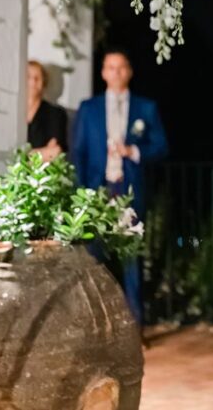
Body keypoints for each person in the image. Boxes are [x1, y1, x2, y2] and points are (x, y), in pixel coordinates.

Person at [72, 49, 169, 323]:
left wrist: (133, 151)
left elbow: (161, 147)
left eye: (121, 67)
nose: (115, 72)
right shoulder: (88, 108)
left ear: (129, 71)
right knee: (94, 258)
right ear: (103, 72)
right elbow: (78, 153)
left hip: (129, 191)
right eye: (110, 67)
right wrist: (82, 193)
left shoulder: (145, 107)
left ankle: (135, 326)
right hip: (96, 192)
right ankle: (98, 324)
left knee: (131, 259)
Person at [26, 60, 68, 162]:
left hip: (43, 175)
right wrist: (41, 153)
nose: (33, 81)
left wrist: (22, 157)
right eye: (28, 77)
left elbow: (54, 152)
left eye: (38, 77)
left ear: (44, 82)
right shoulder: (11, 112)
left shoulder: (55, 113)